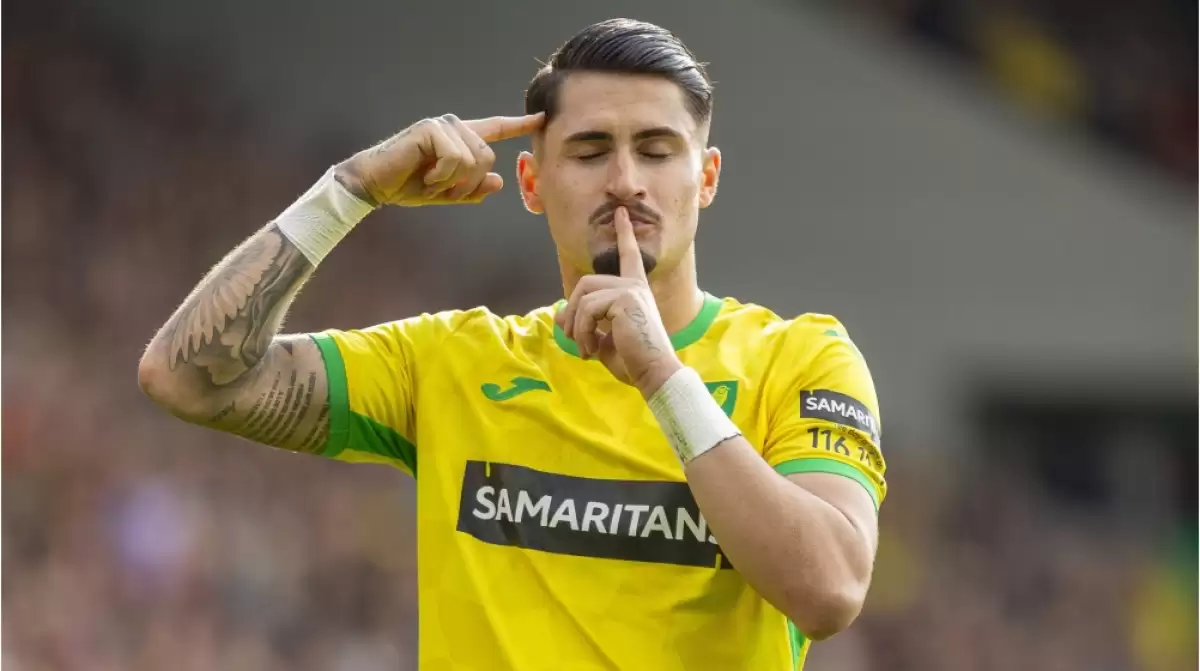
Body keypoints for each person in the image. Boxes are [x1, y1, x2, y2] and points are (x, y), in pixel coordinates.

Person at [138, 18, 887, 671]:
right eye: (590, 152)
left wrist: (662, 376)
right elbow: (185, 378)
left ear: (707, 177)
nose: (625, 180)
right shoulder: (451, 365)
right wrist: (348, 190)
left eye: (657, 150)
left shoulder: (799, 359)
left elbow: (829, 589)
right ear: (531, 182)